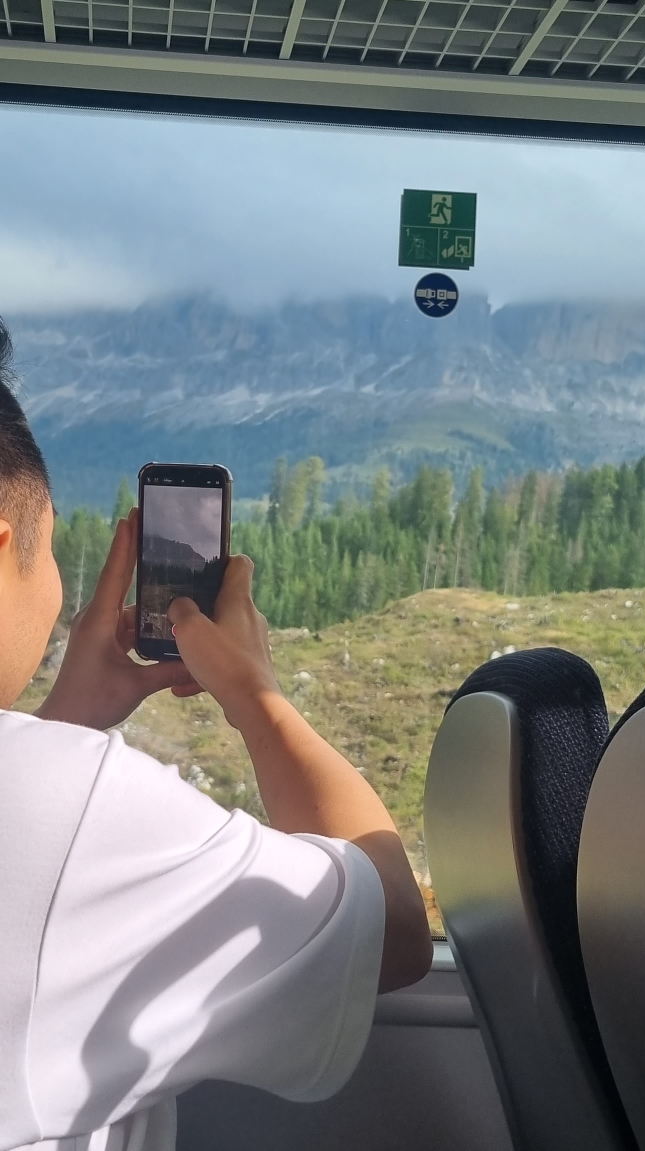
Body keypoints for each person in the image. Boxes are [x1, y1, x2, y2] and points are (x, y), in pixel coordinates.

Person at [0, 316, 432, 1151]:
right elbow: (395, 930)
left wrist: (61, 723)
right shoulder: (75, 806)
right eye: (52, 544)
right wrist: (254, 694)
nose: (56, 584)